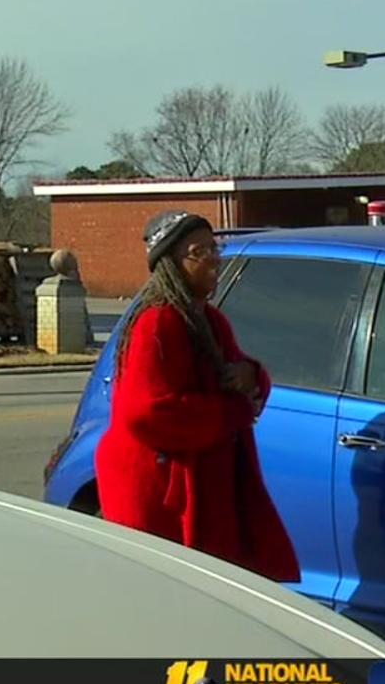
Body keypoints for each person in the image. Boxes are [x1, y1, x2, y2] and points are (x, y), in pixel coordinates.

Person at [94, 209, 300, 583]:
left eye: (214, 248)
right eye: (198, 251)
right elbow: (145, 411)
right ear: (170, 263)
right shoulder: (157, 321)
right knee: (166, 598)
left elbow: (240, 378)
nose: (212, 259)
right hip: (155, 494)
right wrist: (229, 412)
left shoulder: (210, 320)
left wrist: (252, 376)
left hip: (207, 481)